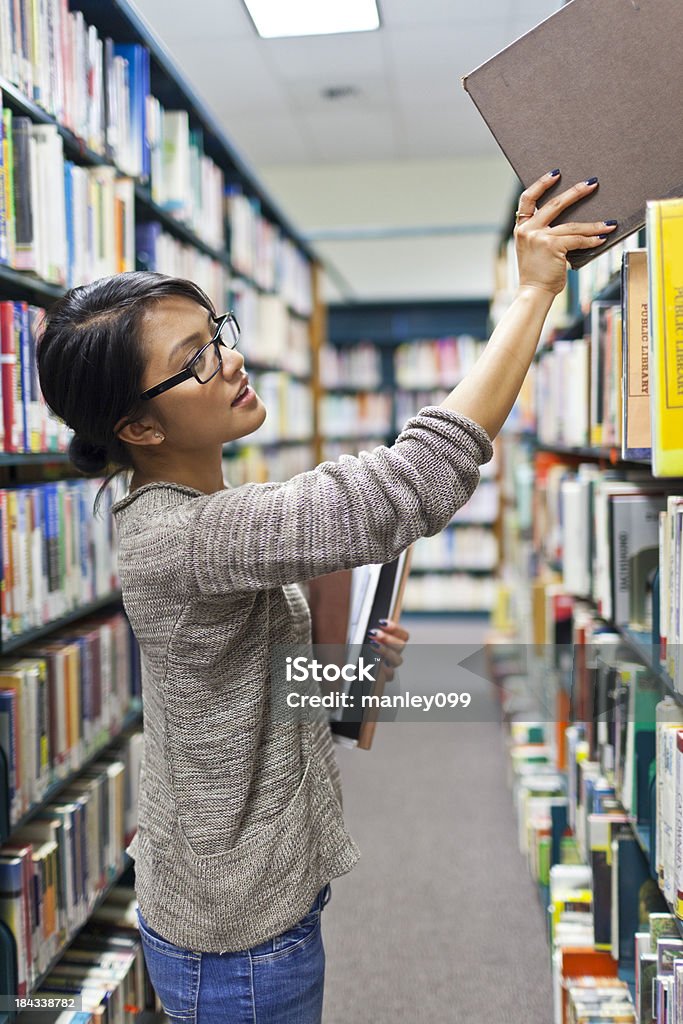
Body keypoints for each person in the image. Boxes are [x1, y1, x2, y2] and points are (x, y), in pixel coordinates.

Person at [36, 170, 615, 1024]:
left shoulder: (195, 515)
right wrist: (532, 292)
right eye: (193, 361)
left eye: (216, 334)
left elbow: (227, 695)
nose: (229, 360)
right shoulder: (187, 535)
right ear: (139, 429)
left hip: (252, 893)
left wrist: (336, 685)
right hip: (235, 937)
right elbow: (409, 481)